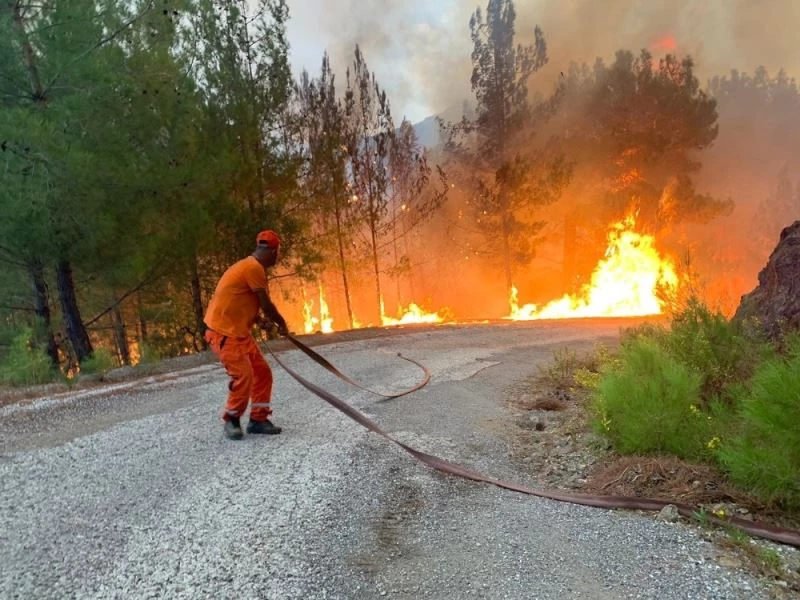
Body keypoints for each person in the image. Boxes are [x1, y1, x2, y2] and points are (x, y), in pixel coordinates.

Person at [204, 230, 290, 440]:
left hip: (239, 332)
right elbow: (266, 303)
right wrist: (281, 323)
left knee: (262, 373)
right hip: (224, 333)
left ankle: (258, 420)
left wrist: (259, 321)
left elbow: (242, 301)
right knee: (244, 375)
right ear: (272, 251)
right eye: (276, 254)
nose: (276, 258)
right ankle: (231, 420)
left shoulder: (247, 266)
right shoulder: (254, 268)